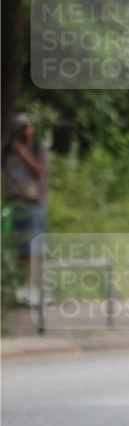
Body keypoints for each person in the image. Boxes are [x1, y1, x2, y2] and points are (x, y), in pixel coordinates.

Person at [1, 113, 49, 306]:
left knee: (33, 247)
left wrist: (22, 153)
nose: (26, 131)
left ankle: (33, 287)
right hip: (12, 203)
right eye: (22, 128)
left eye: (28, 127)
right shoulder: (6, 149)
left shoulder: (38, 147)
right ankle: (16, 287)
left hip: (33, 203)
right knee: (14, 245)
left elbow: (39, 172)